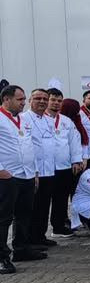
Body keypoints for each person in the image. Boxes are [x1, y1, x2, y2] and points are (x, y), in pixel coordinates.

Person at [0, 85, 43, 271]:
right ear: (6, 99)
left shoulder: (23, 120)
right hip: (7, 176)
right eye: (20, 99)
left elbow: (30, 146)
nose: (23, 103)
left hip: (27, 174)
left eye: (24, 99)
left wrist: (35, 172)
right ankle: (2, 257)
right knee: (4, 218)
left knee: (24, 215)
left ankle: (21, 249)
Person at [46, 89, 83, 238]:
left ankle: (58, 227)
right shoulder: (39, 119)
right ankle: (37, 233)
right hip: (45, 168)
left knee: (61, 199)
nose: (56, 103)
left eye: (59, 101)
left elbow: (74, 142)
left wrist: (76, 160)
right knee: (42, 201)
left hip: (64, 166)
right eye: (53, 100)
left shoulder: (66, 121)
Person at [27, 89, 58, 249]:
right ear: (30, 100)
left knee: (44, 206)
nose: (42, 101)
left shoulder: (49, 120)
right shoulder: (24, 119)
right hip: (33, 171)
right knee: (32, 208)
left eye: (45, 99)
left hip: (49, 170)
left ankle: (40, 236)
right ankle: (30, 240)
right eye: (38, 98)